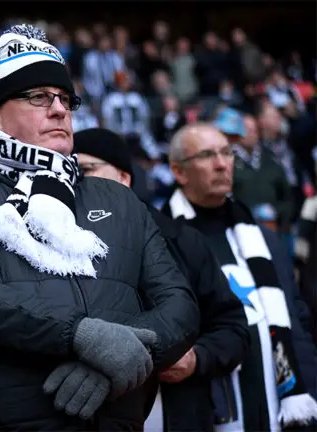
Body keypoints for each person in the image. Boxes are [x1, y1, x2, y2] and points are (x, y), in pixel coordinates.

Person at [0, 24, 200, 430]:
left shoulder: (117, 198)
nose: (59, 109)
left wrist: (113, 361)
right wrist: (78, 336)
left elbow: (179, 306)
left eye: (65, 99)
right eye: (38, 97)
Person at [74, 127, 250, 431]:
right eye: (68, 171)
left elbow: (232, 326)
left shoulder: (182, 240)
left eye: (86, 170)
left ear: (124, 178)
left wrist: (197, 359)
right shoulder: (57, 244)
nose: (75, 181)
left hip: (179, 410)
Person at [163, 123, 317, 430]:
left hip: (279, 406)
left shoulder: (262, 239)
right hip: (209, 404)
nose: (222, 164)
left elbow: (296, 319)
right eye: (207, 155)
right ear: (179, 172)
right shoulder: (162, 240)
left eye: (226, 153)